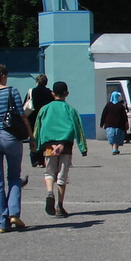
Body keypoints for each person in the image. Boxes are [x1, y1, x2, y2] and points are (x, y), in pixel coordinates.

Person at [31, 80, 87, 220]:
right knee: (62, 175)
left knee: (49, 172)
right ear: (66, 94)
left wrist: (37, 146)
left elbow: (38, 128)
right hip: (65, 146)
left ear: (52, 93)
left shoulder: (44, 109)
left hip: (48, 146)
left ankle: (50, 192)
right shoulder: (70, 110)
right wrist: (82, 147)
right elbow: (77, 128)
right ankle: (59, 205)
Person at [0, 63, 30, 233]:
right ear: (2, 76)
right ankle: (13, 212)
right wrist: (31, 136)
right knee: (14, 176)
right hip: (10, 137)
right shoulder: (11, 91)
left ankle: (1, 222)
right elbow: (22, 116)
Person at [23, 74, 53, 167]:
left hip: (32, 119)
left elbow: (25, 104)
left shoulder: (32, 91)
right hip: (45, 119)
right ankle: (42, 160)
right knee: (43, 139)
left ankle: (34, 159)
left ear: (37, 81)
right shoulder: (50, 93)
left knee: (33, 139)